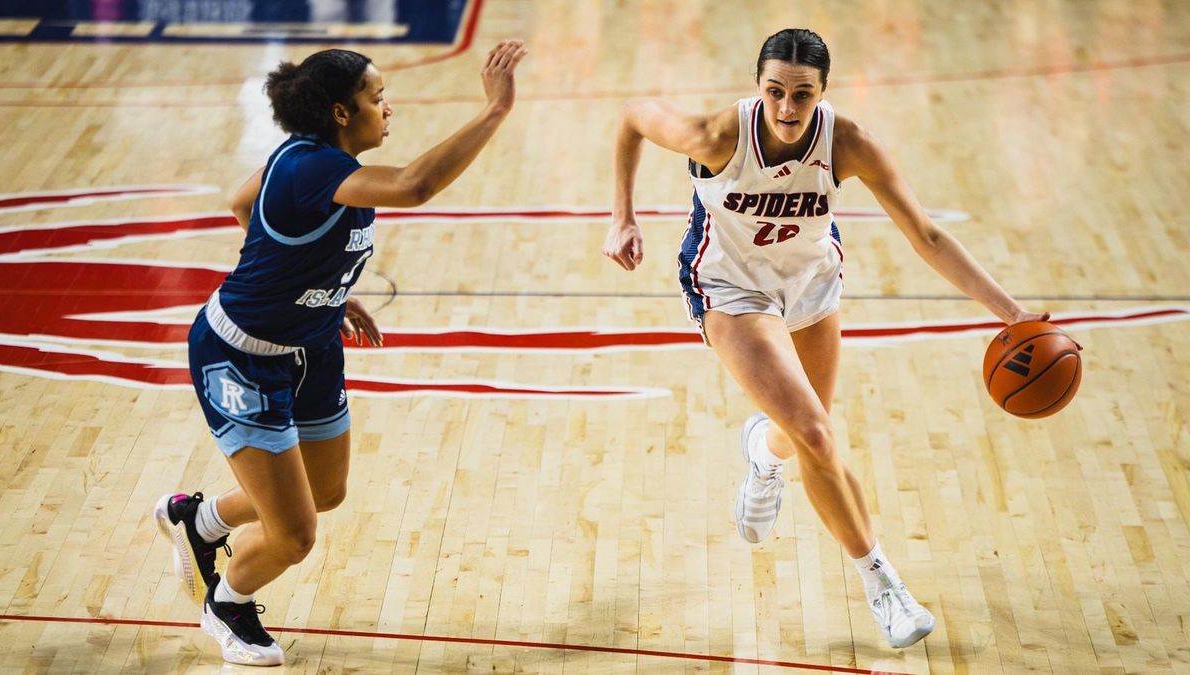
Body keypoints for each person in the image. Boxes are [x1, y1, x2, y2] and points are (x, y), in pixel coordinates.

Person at [602, 28, 1046, 649]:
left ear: (824, 93)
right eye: (774, 92)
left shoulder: (850, 143)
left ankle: (764, 455)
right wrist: (622, 216)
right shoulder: (719, 137)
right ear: (757, 87)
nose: (787, 108)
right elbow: (631, 117)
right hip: (729, 287)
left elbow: (929, 237)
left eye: (802, 95)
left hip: (810, 280)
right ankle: (883, 584)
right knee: (817, 433)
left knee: (802, 433)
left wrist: (1014, 315)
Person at [153, 41, 528, 666]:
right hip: (240, 358)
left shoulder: (323, 161)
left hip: (313, 345)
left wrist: (319, 286)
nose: (389, 107)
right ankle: (228, 603)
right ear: (340, 113)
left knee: (325, 490)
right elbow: (417, 183)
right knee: (296, 535)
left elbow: (243, 203)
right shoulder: (310, 168)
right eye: (376, 98)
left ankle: (199, 518)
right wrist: (493, 111)